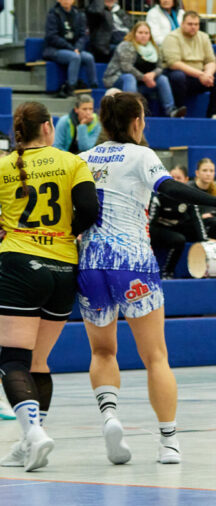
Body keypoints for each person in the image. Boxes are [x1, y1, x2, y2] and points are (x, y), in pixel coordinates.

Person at [77, 92, 216, 465]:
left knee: (102, 350)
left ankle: (110, 415)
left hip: (92, 262)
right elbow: (170, 188)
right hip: (132, 262)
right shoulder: (142, 155)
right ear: (136, 122)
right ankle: (169, 442)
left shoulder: (81, 159)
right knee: (155, 356)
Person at [0, 102, 98, 471]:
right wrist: (64, 234)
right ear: (47, 128)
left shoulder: (4, 166)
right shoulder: (73, 162)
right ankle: (30, 444)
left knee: (13, 359)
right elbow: (89, 209)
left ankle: (33, 436)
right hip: (63, 266)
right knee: (39, 361)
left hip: (20, 264)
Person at [104, 21, 185, 118]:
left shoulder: (155, 48)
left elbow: (160, 66)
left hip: (142, 83)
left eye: (146, 33)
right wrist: (144, 78)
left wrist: (153, 75)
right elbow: (126, 67)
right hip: (119, 80)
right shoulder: (126, 45)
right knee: (129, 77)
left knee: (162, 79)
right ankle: (131, 110)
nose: (143, 36)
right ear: (134, 34)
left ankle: (171, 110)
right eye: (140, 33)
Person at [162, 12, 216, 118]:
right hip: (181, 74)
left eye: (196, 24)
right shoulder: (172, 37)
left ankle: (213, 114)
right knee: (177, 76)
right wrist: (201, 75)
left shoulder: (204, 37)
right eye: (190, 24)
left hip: (200, 76)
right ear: (182, 24)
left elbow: (210, 61)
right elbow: (174, 63)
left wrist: (207, 74)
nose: (193, 27)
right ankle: (179, 112)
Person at [149, 166, 211, 279]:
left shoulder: (188, 197)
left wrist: (204, 240)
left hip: (178, 227)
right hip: (159, 229)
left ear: (186, 180)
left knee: (205, 228)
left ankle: (207, 269)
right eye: (172, 177)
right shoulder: (159, 197)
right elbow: (150, 223)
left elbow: (196, 219)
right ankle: (167, 272)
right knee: (178, 239)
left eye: (179, 178)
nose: (175, 180)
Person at [42, 0, 97, 97]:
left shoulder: (79, 14)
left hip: (74, 48)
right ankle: (71, 86)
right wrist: (72, 49)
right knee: (75, 57)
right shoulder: (53, 14)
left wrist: (77, 48)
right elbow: (52, 37)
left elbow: (83, 35)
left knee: (89, 57)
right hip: (55, 49)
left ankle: (94, 86)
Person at [86, 0, 133, 64]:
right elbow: (98, 11)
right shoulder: (93, 9)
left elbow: (131, 28)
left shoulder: (120, 12)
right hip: (105, 47)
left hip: (124, 42)